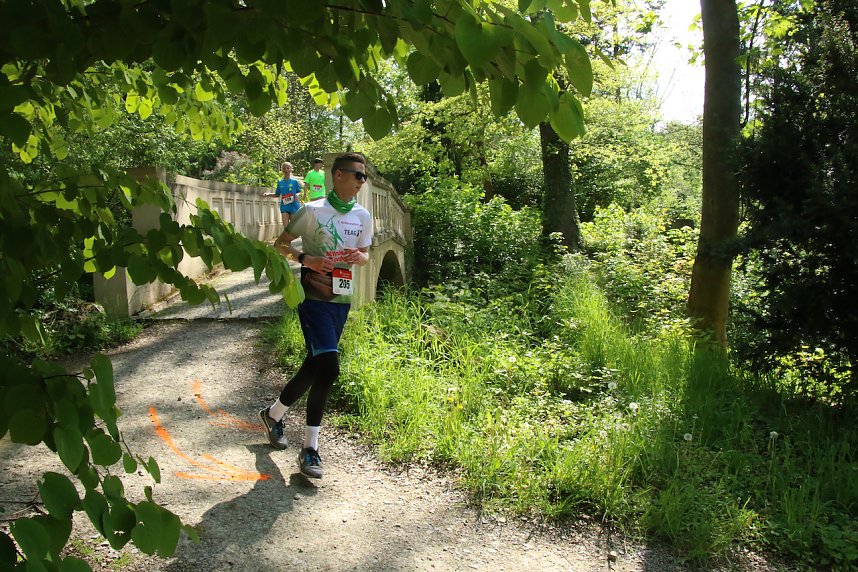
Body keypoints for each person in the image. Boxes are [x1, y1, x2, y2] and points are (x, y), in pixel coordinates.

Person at [259, 152, 372, 479]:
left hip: (341, 299)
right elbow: (280, 244)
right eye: (358, 175)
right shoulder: (312, 210)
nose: (362, 181)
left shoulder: (362, 215)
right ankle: (310, 448)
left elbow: (366, 254)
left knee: (316, 363)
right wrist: (306, 259)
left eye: (364, 176)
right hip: (312, 297)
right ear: (338, 175)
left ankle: (273, 415)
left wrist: (359, 257)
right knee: (329, 367)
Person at [263, 162, 302, 226]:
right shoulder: (280, 182)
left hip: (294, 206)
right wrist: (268, 194)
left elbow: (300, 192)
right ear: (282, 170)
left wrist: (297, 195)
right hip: (284, 206)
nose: (286, 170)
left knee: (293, 227)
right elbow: (277, 194)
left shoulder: (295, 182)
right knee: (286, 228)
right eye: (284, 168)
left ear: (291, 169)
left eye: (288, 168)